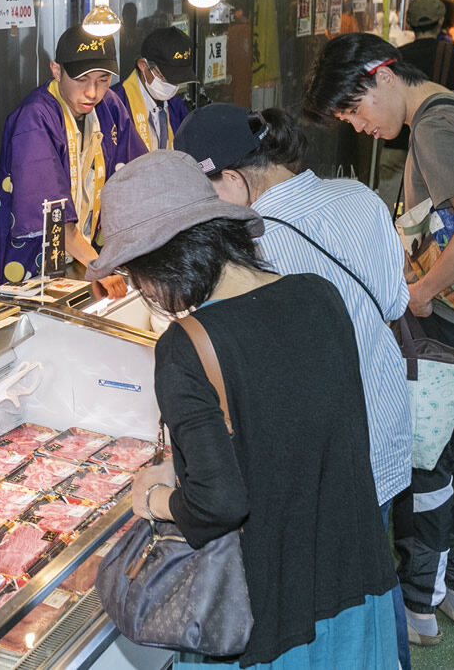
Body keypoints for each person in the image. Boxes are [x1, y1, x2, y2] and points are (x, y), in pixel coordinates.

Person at [91, 150, 399, 667]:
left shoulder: (185, 346)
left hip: (268, 611)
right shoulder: (319, 295)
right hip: (353, 581)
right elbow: (306, 433)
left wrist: (159, 498)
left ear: (163, 261)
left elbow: (221, 504)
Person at [175, 104, 413, 669]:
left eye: (204, 194)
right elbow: (397, 302)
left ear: (231, 179)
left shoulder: (255, 252)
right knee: (372, 575)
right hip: (381, 419)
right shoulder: (360, 198)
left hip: (318, 448)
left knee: (315, 595)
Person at [305, 32, 454, 647]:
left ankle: (421, 598)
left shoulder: (433, 127)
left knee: (429, 460)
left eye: (355, 111)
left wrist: (421, 293)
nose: (360, 127)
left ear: (382, 77)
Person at [0, 25, 147, 297]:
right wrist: (100, 266)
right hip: (32, 264)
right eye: (82, 79)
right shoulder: (35, 118)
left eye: (103, 79)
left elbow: (139, 175)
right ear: (56, 70)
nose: (93, 93)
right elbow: (53, 217)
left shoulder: (109, 106)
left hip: (84, 258)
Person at [374, 0, 454, 209]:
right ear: (440, 21)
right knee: (431, 221)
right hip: (435, 148)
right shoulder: (452, 54)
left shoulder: (396, 56)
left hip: (396, 144)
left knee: (393, 214)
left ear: (410, 23)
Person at [110, 26, 195, 152]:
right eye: (165, 77)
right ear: (143, 65)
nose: (172, 85)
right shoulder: (115, 104)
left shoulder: (175, 105)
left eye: (178, 79)